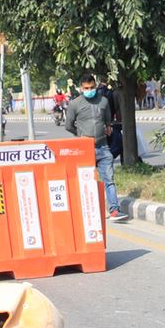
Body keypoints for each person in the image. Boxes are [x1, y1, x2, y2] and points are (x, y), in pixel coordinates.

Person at [66, 72, 127, 223]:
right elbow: (69, 126)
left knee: (109, 179)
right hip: (84, 149)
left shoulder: (104, 101)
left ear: (96, 85)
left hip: (103, 147)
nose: (90, 90)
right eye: (86, 88)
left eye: (92, 87)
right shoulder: (75, 104)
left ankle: (114, 210)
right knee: (86, 181)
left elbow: (108, 122)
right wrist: (81, 136)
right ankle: (87, 211)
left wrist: (107, 129)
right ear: (81, 88)